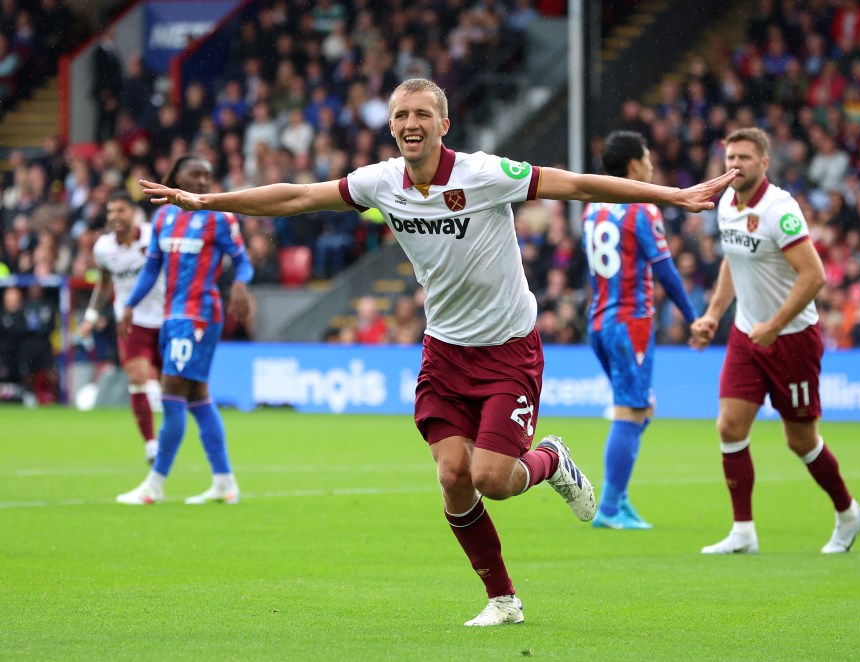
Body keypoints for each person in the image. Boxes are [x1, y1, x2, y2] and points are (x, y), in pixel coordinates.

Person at [139, 79, 737, 625]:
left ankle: (551, 460)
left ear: (443, 124)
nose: (410, 122)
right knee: (453, 476)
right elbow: (298, 197)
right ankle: (502, 599)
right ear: (392, 127)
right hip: (445, 351)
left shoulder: (482, 173)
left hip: (509, 349)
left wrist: (673, 196)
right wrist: (206, 202)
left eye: (422, 113)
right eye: (400, 114)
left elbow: (576, 184)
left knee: (494, 480)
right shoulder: (380, 182)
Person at [690, 128, 860, 555]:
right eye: (730, 156)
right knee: (730, 426)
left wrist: (774, 323)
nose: (736, 164)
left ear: (765, 162)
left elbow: (815, 276)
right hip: (747, 337)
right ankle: (743, 532)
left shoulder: (780, 210)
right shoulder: (726, 206)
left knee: (800, 441)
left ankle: (848, 514)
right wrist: (714, 314)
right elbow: (732, 263)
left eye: (745, 157)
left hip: (792, 339)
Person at [116, 154, 253, 506]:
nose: (204, 182)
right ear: (177, 176)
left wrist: (239, 283)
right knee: (197, 398)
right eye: (196, 175)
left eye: (208, 176)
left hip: (200, 317)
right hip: (172, 317)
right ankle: (224, 482)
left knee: (172, 391)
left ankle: (155, 485)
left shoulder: (219, 217)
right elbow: (151, 270)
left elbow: (243, 262)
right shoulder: (162, 218)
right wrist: (130, 305)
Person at [582, 131, 700, 530]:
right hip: (630, 322)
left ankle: (621, 497)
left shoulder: (592, 209)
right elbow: (664, 268)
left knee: (641, 406)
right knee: (631, 410)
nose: (651, 163)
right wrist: (692, 315)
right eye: (647, 156)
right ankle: (610, 508)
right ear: (633, 165)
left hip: (599, 322)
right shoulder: (641, 209)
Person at [77, 192, 165, 464]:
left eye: (121, 210)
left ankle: (169, 436)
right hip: (130, 322)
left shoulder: (153, 236)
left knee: (173, 387)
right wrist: (91, 316)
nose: (115, 216)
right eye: (111, 211)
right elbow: (104, 283)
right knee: (137, 379)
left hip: (164, 319)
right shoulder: (103, 248)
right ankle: (150, 443)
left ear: (133, 214)